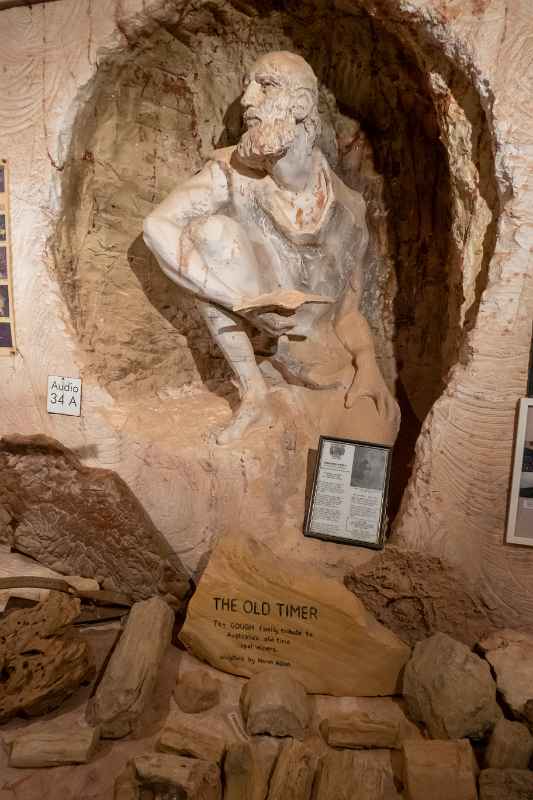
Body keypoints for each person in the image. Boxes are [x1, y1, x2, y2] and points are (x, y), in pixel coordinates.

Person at [144, 51, 398, 443]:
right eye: (249, 87)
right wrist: (236, 300)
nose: (247, 100)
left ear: (301, 104)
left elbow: (348, 314)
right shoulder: (229, 173)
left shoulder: (349, 208)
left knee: (373, 440)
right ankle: (254, 396)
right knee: (213, 233)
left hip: (326, 367)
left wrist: (369, 364)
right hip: (264, 364)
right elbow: (158, 226)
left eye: (264, 86)